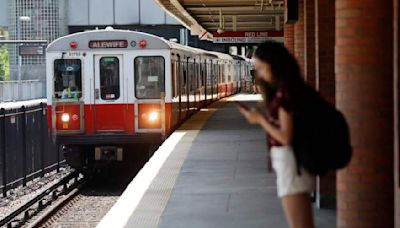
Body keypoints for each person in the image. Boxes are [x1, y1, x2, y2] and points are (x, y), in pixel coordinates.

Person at [237, 41, 315, 228]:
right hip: (291, 163)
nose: (261, 75)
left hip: (291, 164)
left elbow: (286, 136)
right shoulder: (291, 89)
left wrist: (260, 120)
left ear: (274, 64)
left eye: (261, 68)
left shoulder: (285, 93)